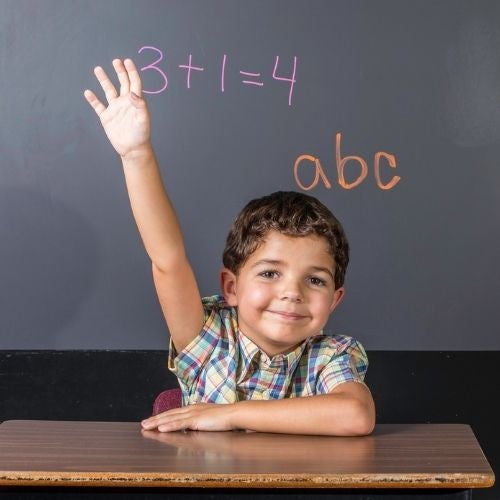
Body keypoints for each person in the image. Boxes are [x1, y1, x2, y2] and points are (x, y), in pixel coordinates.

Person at [84, 58, 375, 436]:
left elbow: (355, 415)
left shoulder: (331, 355)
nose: (291, 293)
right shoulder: (207, 339)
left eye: (315, 281)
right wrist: (137, 154)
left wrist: (227, 414)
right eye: (270, 273)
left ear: (335, 299)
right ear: (232, 287)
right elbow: (167, 260)